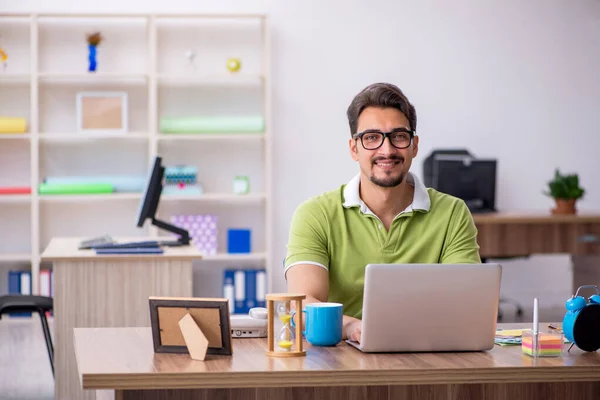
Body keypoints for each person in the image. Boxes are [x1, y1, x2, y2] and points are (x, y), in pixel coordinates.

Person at [284, 82, 481, 343]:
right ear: (354, 148)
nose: (386, 150)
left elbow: (467, 300)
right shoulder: (315, 214)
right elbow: (303, 305)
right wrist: (354, 328)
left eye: (399, 136)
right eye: (372, 137)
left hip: (429, 353)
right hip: (340, 360)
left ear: (414, 145)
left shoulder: (452, 213)